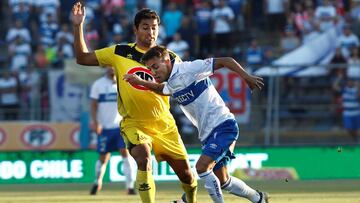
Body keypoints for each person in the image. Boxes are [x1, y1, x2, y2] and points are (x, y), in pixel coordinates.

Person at [71, 3, 197, 203]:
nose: (151, 31)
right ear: (136, 29)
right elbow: (82, 58)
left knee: (188, 177)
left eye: (154, 27)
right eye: (146, 27)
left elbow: (182, 89)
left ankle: (191, 199)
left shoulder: (171, 58)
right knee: (143, 158)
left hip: (164, 125)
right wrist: (78, 26)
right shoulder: (120, 52)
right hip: (134, 123)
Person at [123, 45, 269, 203]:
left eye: (155, 66)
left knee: (201, 168)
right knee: (223, 181)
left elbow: (226, 61)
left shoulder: (190, 68)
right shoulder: (171, 82)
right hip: (208, 134)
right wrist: (140, 81)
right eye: (150, 69)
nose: (153, 72)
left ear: (167, 60)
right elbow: (162, 89)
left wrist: (246, 76)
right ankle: (258, 198)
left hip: (223, 125)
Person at [89, 67, 136, 195]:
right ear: (105, 68)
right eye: (109, 66)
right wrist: (95, 122)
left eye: (114, 66)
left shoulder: (124, 83)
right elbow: (93, 105)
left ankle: (130, 186)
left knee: (125, 154)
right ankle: (97, 182)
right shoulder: (98, 84)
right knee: (103, 157)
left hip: (121, 127)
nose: (112, 69)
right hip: (105, 127)